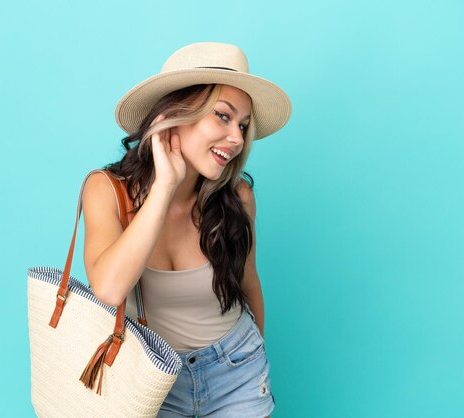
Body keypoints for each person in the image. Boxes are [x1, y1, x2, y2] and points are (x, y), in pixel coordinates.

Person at [82, 42, 291, 417]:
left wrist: (256, 354)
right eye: (224, 117)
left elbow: (248, 284)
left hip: (237, 369)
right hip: (152, 379)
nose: (238, 139)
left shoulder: (237, 197)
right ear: (177, 113)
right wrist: (163, 187)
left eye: (243, 125)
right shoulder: (106, 191)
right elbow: (110, 289)